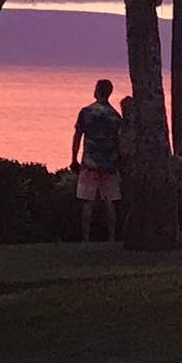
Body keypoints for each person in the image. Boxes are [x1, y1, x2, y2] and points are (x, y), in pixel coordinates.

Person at [71, 77, 126, 241]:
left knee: (87, 202)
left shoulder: (86, 113)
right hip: (110, 163)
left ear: (97, 91)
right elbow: (120, 142)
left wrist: (74, 158)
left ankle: (86, 238)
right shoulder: (115, 117)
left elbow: (77, 136)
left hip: (89, 163)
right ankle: (111, 238)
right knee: (109, 201)